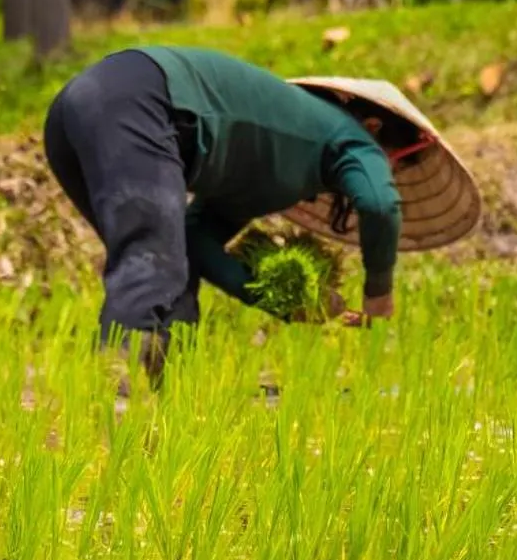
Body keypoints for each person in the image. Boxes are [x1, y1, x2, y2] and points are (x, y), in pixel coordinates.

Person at [42, 46, 480, 385]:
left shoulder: (275, 169)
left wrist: (285, 302)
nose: (385, 174)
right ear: (374, 129)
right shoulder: (349, 135)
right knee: (151, 262)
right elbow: (379, 205)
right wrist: (378, 294)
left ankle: (160, 409)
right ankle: (116, 401)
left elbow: (196, 242)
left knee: (171, 274)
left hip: (75, 112)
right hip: (140, 100)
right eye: (392, 165)